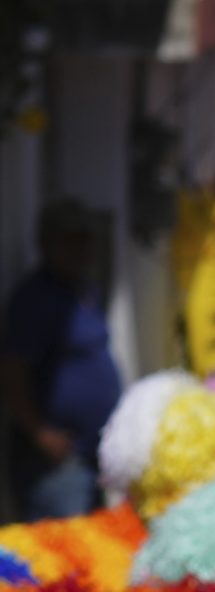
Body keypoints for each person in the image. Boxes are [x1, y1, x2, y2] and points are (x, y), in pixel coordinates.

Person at [1, 201, 122, 522]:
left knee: (92, 556)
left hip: (90, 457)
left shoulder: (85, 291)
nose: (80, 250)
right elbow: (12, 372)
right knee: (58, 560)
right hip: (55, 464)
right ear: (46, 243)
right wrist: (41, 433)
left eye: (85, 239)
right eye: (70, 240)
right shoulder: (34, 299)